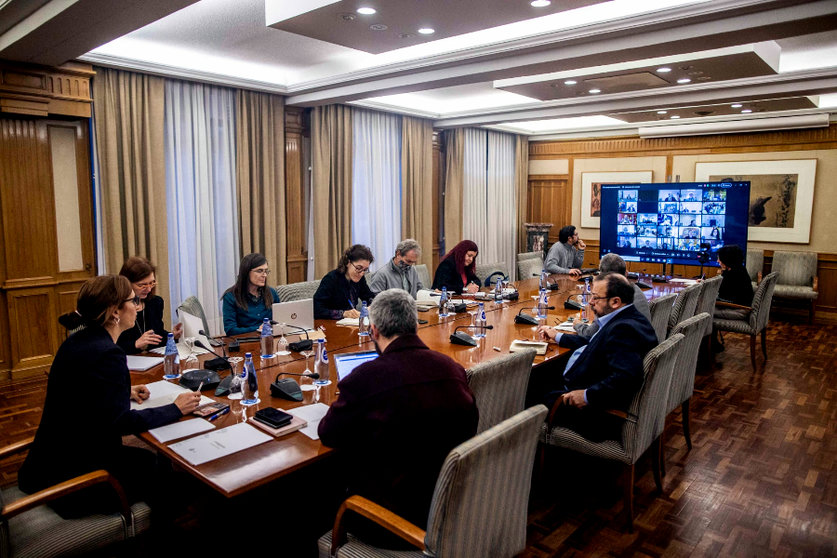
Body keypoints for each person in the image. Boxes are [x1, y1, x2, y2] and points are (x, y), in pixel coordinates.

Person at [20, 275, 201, 517]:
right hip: (78, 481)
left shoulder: (77, 341)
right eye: (133, 300)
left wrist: (123, 391)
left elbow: (79, 393)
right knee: (171, 477)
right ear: (114, 311)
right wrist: (176, 408)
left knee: (154, 463)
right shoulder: (108, 354)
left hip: (48, 465)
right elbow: (121, 423)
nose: (137, 306)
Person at [318, 289, 478, 547]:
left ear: (374, 331)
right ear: (415, 325)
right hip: (451, 506)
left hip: (391, 522)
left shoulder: (364, 378)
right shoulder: (453, 369)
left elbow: (328, 433)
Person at [527, 273, 657, 441]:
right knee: (542, 374)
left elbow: (627, 376)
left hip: (596, 415)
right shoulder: (630, 318)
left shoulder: (623, 331)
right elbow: (594, 342)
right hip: (590, 384)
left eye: (596, 298)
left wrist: (587, 396)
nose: (590, 302)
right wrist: (558, 336)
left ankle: (522, 453)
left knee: (525, 389)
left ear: (615, 301)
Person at [573, 254, 652, 339]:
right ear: (626, 273)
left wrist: (578, 325)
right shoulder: (634, 288)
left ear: (603, 276)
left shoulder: (612, 296)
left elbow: (589, 334)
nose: (591, 302)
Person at [116, 256, 181, 354]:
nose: (149, 289)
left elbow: (157, 335)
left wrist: (171, 336)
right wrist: (135, 344)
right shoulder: (116, 308)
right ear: (127, 283)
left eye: (152, 283)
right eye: (142, 285)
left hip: (152, 360)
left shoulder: (155, 303)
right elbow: (109, 347)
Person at [222, 253, 280, 335]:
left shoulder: (271, 293)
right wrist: (258, 328)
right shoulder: (230, 297)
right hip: (246, 342)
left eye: (266, 271)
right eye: (260, 271)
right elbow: (230, 330)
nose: (264, 275)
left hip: (270, 339)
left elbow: (280, 320)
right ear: (246, 272)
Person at [314, 244, 375, 319]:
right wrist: (343, 313)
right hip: (330, 324)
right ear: (348, 263)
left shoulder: (360, 279)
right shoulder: (331, 279)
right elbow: (316, 309)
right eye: (359, 268)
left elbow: (369, 297)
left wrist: (371, 306)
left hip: (350, 324)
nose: (362, 273)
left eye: (365, 270)